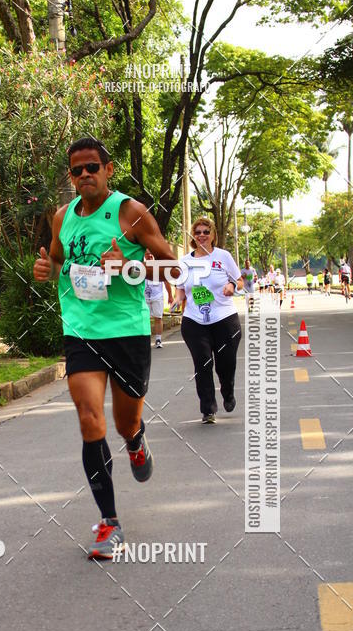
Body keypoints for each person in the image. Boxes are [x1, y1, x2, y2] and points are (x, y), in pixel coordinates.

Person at [33, 136, 177, 559]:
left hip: (127, 331)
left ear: (108, 170)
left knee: (124, 421)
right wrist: (46, 267)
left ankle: (135, 441)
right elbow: (57, 259)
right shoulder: (62, 217)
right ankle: (109, 523)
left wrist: (130, 265)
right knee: (89, 418)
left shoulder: (130, 212)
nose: (84, 176)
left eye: (92, 167)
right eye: (76, 170)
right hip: (81, 330)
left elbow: (172, 265)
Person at [174, 217, 243, 424]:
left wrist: (232, 286)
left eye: (206, 231)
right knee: (203, 364)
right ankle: (208, 409)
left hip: (224, 318)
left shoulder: (223, 256)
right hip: (195, 321)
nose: (202, 235)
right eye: (198, 232)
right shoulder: (185, 261)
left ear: (213, 234)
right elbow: (180, 288)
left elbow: (240, 280)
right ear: (193, 237)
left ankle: (228, 392)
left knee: (226, 364)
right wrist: (178, 300)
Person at [144, 251, 174, 348]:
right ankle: (146, 340)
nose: (149, 255)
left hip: (157, 296)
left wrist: (170, 295)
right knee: (145, 318)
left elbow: (166, 282)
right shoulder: (141, 266)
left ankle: (158, 340)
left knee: (158, 318)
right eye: (147, 254)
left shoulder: (159, 267)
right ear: (144, 255)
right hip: (144, 297)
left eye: (151, 254)